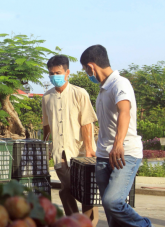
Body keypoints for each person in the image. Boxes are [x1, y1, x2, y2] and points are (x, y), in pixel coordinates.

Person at [80, 45, 152, 227]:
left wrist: (118, 144)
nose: (87, 73)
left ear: (91, 66)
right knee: (111, 213)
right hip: (104, 156)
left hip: (124, 153)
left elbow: (124, 112)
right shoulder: (103, 89)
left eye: (85, 69)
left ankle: (144, 225)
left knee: (113, 202)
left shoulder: (120, 83)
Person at [42, 55, 99, 226]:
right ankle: (74, 221)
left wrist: (89, 149)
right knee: (67, 189)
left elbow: (87, 122)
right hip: (60, 152)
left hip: (81, 152)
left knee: (86, 191)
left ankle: (89, 222)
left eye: (57, 72)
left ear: (67, 72)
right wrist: (43, 147)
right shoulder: (46, 97)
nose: (54, 76)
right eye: (51, 74)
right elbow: (46, 125)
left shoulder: (79, 93)